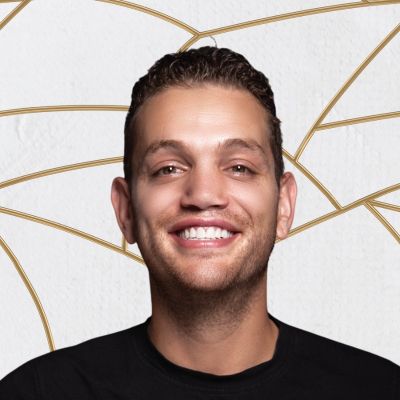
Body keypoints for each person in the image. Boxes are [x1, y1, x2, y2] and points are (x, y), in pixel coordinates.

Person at [1, 46, 398, 399]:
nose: (204, 194)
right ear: (126, 210)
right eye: (169, 168)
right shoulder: (37, 393)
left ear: (283, 206)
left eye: (239, 167)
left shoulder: (380, 390)